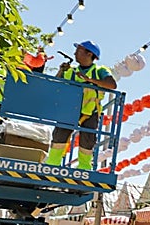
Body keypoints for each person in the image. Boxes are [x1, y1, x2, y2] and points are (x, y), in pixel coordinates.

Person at [45, 41, 116, 170]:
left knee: (87, 140)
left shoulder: (99, 71)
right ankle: (51, 165)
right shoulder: (71, 72)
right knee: (59, 136)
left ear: (89, 54)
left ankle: (84, 168)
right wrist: (61, 71)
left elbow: (111, 84)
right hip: (69, 110)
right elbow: (56, 85)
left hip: (90, 112)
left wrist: (90, 80)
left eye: (78, 50)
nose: (74, 53)